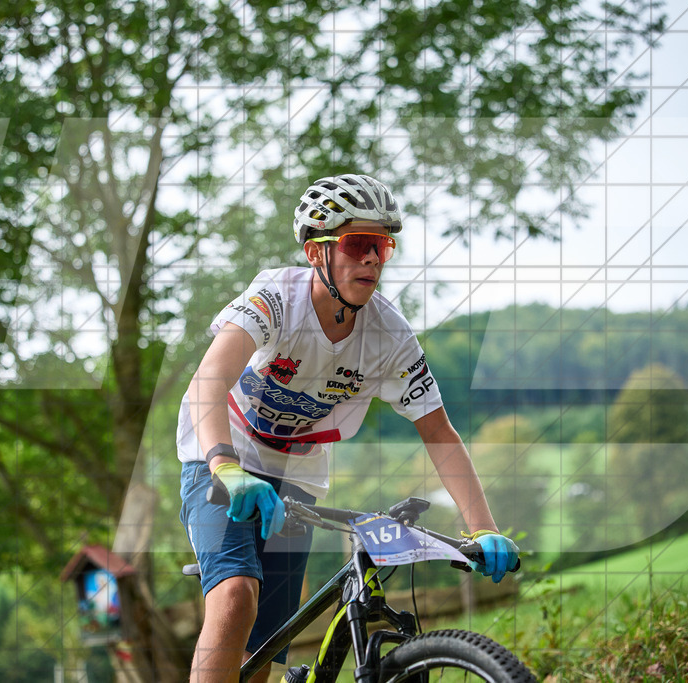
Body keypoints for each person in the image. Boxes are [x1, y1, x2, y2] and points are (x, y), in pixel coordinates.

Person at [178, 173, 519, 682]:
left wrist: (484, 526)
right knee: (235, 598)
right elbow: (208, 381)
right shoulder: (275, 298)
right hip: (220, 455)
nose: (373, 260)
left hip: (296, 476)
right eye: (358, 244)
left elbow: (440, 433)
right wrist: (225, 465)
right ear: (317, 253)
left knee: (264, 655)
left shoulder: (390, 336)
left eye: (382, 246)